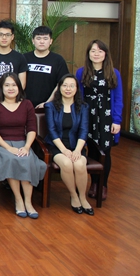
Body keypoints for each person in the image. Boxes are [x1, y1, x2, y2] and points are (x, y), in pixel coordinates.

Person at [0, 73, 47, 219]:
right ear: (1, 88)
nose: (10, 88)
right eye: (7, 85)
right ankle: (18, 199)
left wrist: (27, 147)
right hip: (1, 143)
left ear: (19, 87)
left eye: (14, 85)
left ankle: (28, 202)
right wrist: (8, 148)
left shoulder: (27, 104)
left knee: (27, 159)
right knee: (11, 159)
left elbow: (32, 128)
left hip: (22, 143)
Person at [76, 40, 123, 201]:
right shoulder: (81, 72)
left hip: (106, 118)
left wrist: (117, 120)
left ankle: (103, 185)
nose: (96, 54)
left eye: (100, 51)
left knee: (105, 152)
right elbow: (79, 97)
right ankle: (94, 183)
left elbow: (118, 99)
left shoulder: (114, 73)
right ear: (88, 54)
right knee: (92, 151)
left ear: (105, 54)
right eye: (93, 51)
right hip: (88, 117)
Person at [44, 74, 94, 215]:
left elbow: (84, 130)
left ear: (77, 88)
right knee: (66, 164)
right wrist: (64, 150)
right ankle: (74, 196)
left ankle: (83, 198)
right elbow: (52, 131)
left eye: (72, 86)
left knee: (79, 164)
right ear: (59, 88)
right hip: (56, 146)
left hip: (76, 146)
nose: (68, 89)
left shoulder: (83, 107)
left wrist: (77, 150)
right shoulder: (50, 106)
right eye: (65, 85)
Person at [24, 26, 68, 108]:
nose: (42, 41)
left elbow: (61, 83)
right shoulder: (24, 58)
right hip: (25, 105)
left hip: (50, 106)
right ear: (33, 40)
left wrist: (47, 103)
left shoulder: (58, 60)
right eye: (38, 38)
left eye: (45, 38)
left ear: (51, 41)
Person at [0, 20, 27, 100]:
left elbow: (22, 84)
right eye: (1, 34)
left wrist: (11, 100)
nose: (4, 37)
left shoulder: (20, 57)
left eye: (7, 35)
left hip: (14, 102)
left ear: (12, 37)